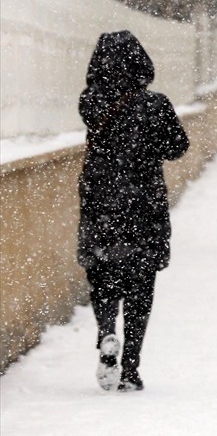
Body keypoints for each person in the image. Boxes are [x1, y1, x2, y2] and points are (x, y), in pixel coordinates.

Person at [77, 31, 190, 392]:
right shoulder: (154, 104)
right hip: (143, 202)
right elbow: (178, 146)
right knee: (141, 284)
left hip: (100, 200)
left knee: (103, 273)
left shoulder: (90, 103)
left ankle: (108, 330)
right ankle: (130, 369)